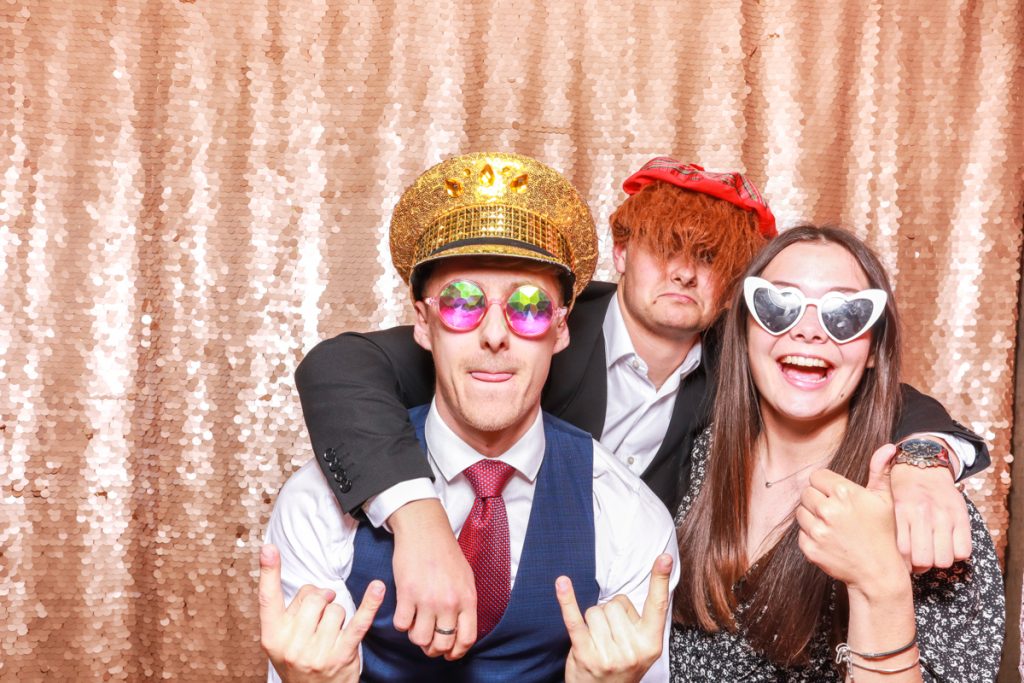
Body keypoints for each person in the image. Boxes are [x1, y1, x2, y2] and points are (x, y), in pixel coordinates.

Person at [292, 157, 990, 659]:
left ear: (737, 287)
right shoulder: (527, 326)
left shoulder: (749, 362)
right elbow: (339, 367)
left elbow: (866, 384)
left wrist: (924, 459)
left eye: (710, 256)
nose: (685, 270)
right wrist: (417, 518)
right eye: (665, 246)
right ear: (621, 254)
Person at [260, 152, 679, 682]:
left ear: (562, 329)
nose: (495, 334)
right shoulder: (318, 506)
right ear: (422, 322)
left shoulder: (627, 517)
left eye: (528, 306)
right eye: (462, 303)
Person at [669, 225, 1004, 681]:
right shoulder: (703, 458)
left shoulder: (920, 509)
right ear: (745, 331)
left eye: (844, 314)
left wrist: (879, 581)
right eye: (778, 305)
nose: (808, 331)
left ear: (871, 351)